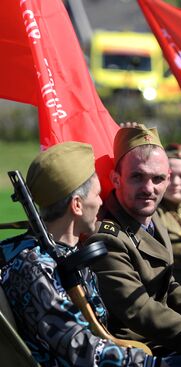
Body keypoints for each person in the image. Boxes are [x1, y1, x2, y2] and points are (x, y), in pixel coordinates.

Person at [0, 142, 159, 366]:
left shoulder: (66, 254)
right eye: (97, 194)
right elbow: (82, 350)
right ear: (77, 205)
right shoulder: (35, 266)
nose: (101, 201)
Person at [87, 125, 181, 365]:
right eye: (137, 177)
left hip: (164, 338)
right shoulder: (108, 237)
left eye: (158, 179)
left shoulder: (151, 220)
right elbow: (139, 311)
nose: (149, 189)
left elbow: (167, 286)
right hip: (140, 351)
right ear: (116, 179)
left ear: (167, 179)